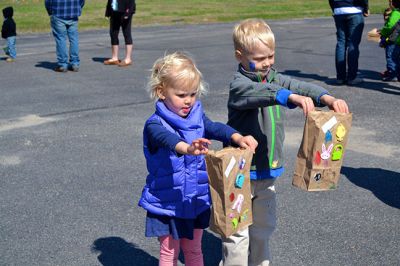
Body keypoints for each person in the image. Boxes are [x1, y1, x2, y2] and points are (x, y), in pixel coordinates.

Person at [221, 18, 349, 266]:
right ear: (240, 56)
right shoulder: (239, 85)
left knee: (263, 228)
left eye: (271, 56)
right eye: (259, 59)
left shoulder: (273, 76)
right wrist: (288, 96)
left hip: (267, 173)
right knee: (236, 234)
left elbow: (297, 84)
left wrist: (327, 97)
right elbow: (259, 93)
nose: (267, 63)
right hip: (240, 171)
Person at [138, 52, 258, 266]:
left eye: (193, 94)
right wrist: (187, 148)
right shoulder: (155, 124)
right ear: (161, 92)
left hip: (196, 201)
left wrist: (237, 136)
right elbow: (168, 139)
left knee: (193, 251)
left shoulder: (197, 116)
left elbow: (214, 128)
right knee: (169, 252)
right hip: (168, 203)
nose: (188, 101)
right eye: (182, 95)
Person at [329, 0, 369, 85]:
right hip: (354, 9)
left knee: (341, 43)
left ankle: (340, 77)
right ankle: (352, 77)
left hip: (338, 10)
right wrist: (365, 8)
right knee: (353, 43)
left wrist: (335, 8)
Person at [45, 0, 85, 72]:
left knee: (61, 39)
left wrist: (50, 11)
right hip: (73, 12)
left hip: (58, 13)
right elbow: (82, 1)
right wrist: (78, 8)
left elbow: (48, 1)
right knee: (74, 39)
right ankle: (75, 63)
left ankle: (63, 64)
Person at [104, 0, 136, 67]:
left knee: (126, 33)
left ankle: (128, 59)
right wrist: (108, 12)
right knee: (113, 34)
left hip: (125, 11)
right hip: (114, 11)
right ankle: (114, 58)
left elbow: (131, 1)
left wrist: (128, 12)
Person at [379, 0, 400, 81]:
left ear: (392, 4)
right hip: (398, 40)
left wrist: (383, 32)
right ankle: (397, 74)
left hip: (393, 40)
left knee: (391, 57)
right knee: (397, 58)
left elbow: (390, 26)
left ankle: (392, 74)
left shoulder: (395, 13)